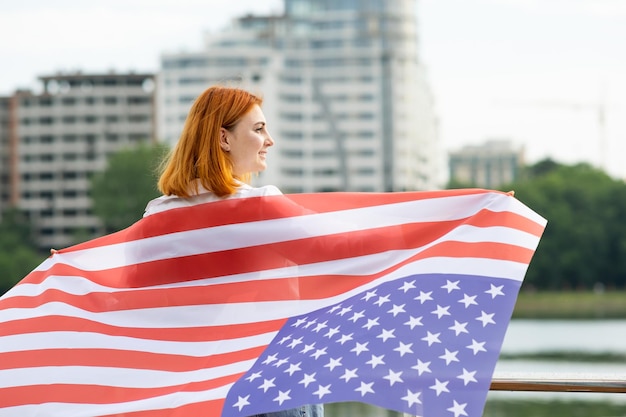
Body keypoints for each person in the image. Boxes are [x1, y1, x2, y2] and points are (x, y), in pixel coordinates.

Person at [144, 85, 324, 417]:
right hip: (271, 381)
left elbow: (132, 299)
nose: (270, 140)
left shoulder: (158, 215)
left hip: (195, 389)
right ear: (223, 139)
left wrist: (78, 270)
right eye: (258, 129)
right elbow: (338, 250)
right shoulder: (258, 205)